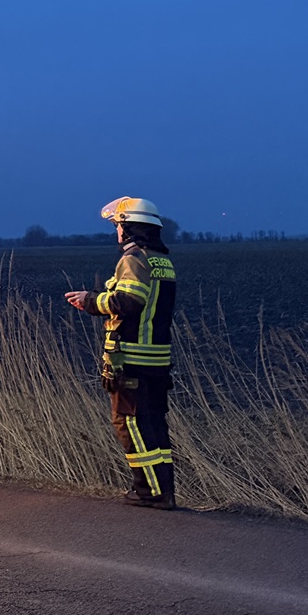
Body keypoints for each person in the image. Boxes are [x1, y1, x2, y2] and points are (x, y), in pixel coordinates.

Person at [65, 197, 177, 508]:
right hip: (156, 360)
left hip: (131, 360)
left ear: (128, 228)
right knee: (154, 425)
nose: (117, 232)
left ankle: (150, 492)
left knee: (130, 423)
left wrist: (91, 300)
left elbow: (129, 301)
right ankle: (162, 490)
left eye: (118, 226)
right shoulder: (161, 261)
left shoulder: (133, 258)